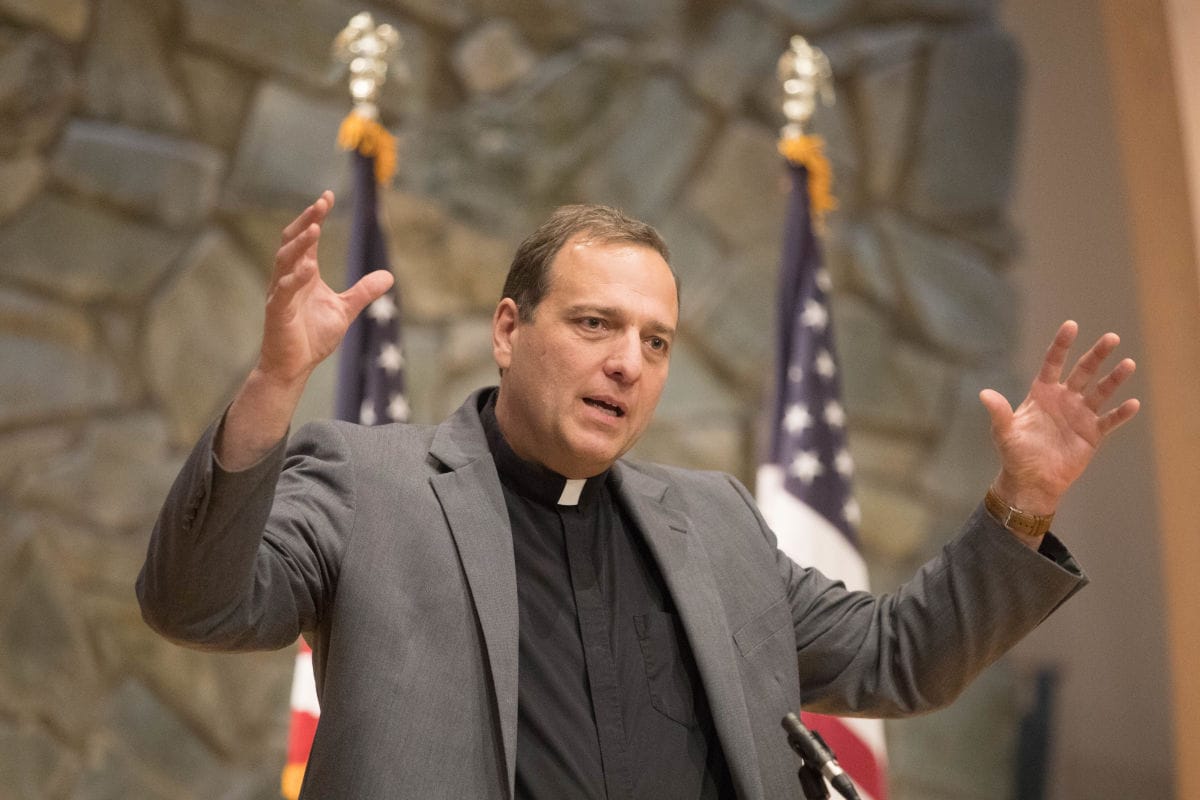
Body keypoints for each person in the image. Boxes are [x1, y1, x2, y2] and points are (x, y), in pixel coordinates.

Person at [138, 191, 1140, 800]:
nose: (628, 363)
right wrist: (274, 381)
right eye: (594, 323)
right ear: (508, 328)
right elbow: (195, 601)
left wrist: (1020, 502)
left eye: (655, 341)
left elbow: (898, 657)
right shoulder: (373, 485)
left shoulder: (713, 521)